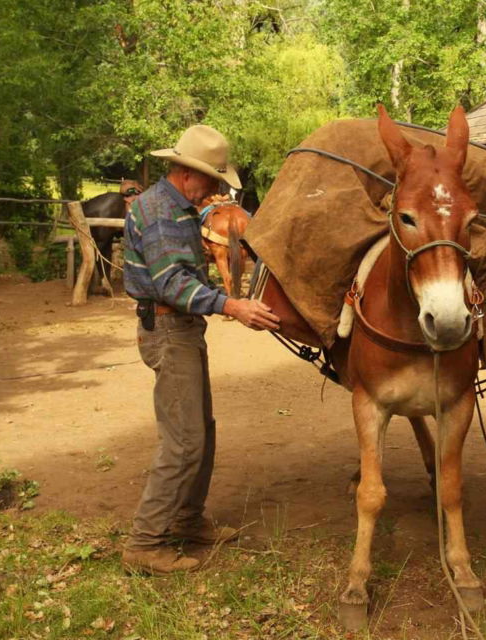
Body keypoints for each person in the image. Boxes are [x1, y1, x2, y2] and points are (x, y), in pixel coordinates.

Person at [121, 124, 281, 575]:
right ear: (187, 173)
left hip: (184, 330)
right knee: (185, 440)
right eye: (211, 180)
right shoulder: (158, 213)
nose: (213, 190)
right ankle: (144, 543)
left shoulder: (181, 210)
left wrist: (223, 297)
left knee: (201, 432)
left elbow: (187, 275)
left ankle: (188, 521)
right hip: (169, 333)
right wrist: (231, 304)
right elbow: (171, 283)